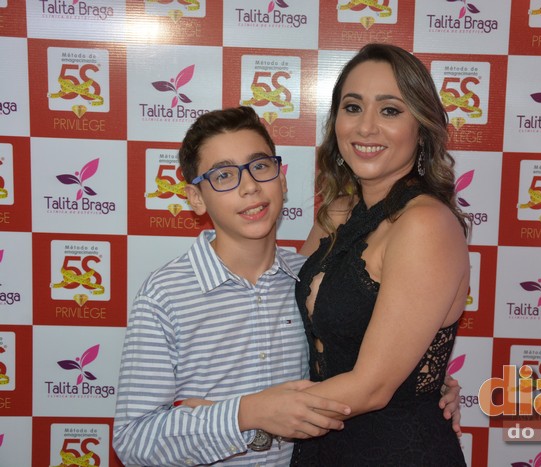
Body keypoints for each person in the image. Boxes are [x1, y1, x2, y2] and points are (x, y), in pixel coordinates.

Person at [112, 106, 462, 466]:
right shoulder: (166, 296)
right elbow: (134, 440)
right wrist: (243, 415)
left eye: (260, 166)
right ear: (196, 197)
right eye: (223, 175)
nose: (249, 187)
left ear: (281, 179)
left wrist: (424, 385)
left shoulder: (311, 282)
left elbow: (366, 355)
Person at [291, 43, 471, 466]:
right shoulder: (337, 213)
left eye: (390, 110)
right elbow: (286, 324)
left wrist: (242, 415)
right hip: (319, 445)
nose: (366, 127)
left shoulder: (425, 224)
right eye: (352, 108)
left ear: (421, 128)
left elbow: (372, 388)